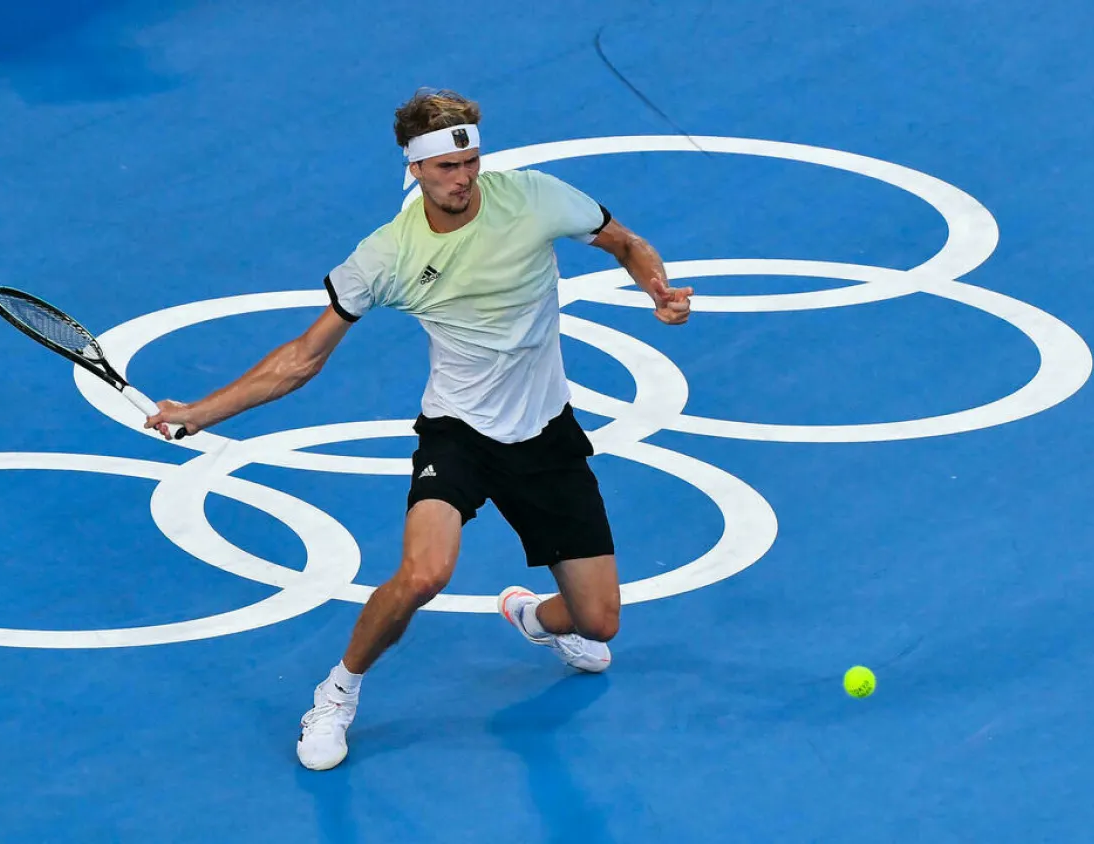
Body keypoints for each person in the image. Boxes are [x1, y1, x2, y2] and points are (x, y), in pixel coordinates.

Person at [145, 88, 692, 771]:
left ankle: (532, 618)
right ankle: (338, 692)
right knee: (425, 572)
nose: (462, 178)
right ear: (415, 169)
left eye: (470, 161)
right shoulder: (387, 256)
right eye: (444, 168)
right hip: (458, 435)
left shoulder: (535, 198)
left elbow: (626, 243)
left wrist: (656, 288)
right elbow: (301, 360)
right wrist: (198, 412)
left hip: (547, 436)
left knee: (598, 623)